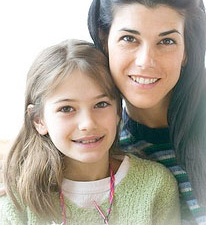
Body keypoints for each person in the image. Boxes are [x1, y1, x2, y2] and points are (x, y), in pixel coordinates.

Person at [0, 39, 180, 224]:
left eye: (101, 104)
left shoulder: (155, 185)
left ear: (118, 110)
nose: (87, 123)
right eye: (67, 109)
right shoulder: (17, 201)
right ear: (38, 120)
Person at [87, 0, 206, 224]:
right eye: (129, 38)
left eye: (166, 41)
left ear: (186, 50)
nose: (145, 61)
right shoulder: (99, 146)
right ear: (104, 38)